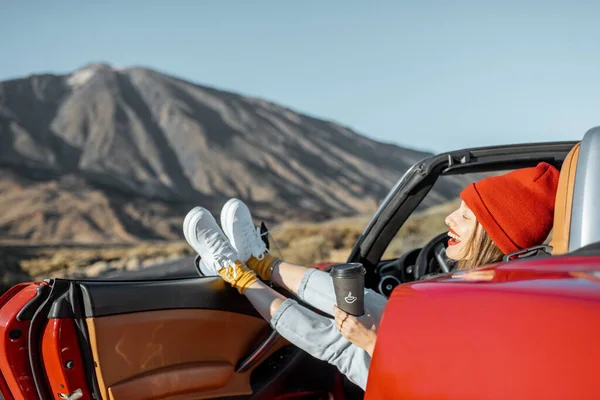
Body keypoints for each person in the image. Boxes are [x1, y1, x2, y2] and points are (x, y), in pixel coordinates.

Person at [183, 162, 560, 390]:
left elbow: (449, 388)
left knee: (341, 346)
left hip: (407, 386)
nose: (450, 218)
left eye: (466, 215)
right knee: (375, 303)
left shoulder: (503, 316)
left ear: (494, 235)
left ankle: (237, 274)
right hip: (416, 361)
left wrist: (371, 344)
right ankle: (260, 263)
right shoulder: (496, 286)